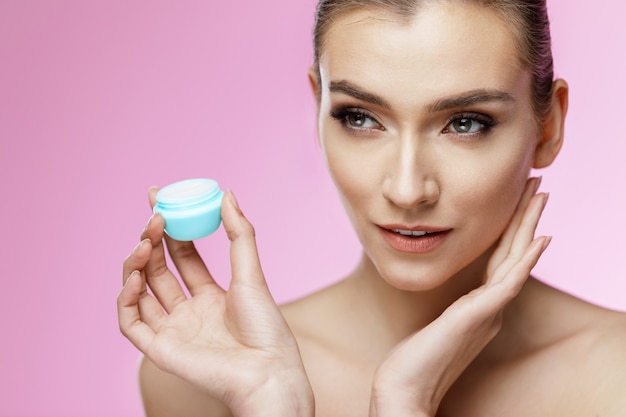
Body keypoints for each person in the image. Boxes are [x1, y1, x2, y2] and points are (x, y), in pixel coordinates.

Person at [117, 0, 626, 416]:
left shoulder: (614, 379)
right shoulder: (207, 378)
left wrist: (404, 403)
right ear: (318, 108)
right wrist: (273, 405)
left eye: (466, 123)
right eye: (360, 117)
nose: (407, 190)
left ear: (548, 127)